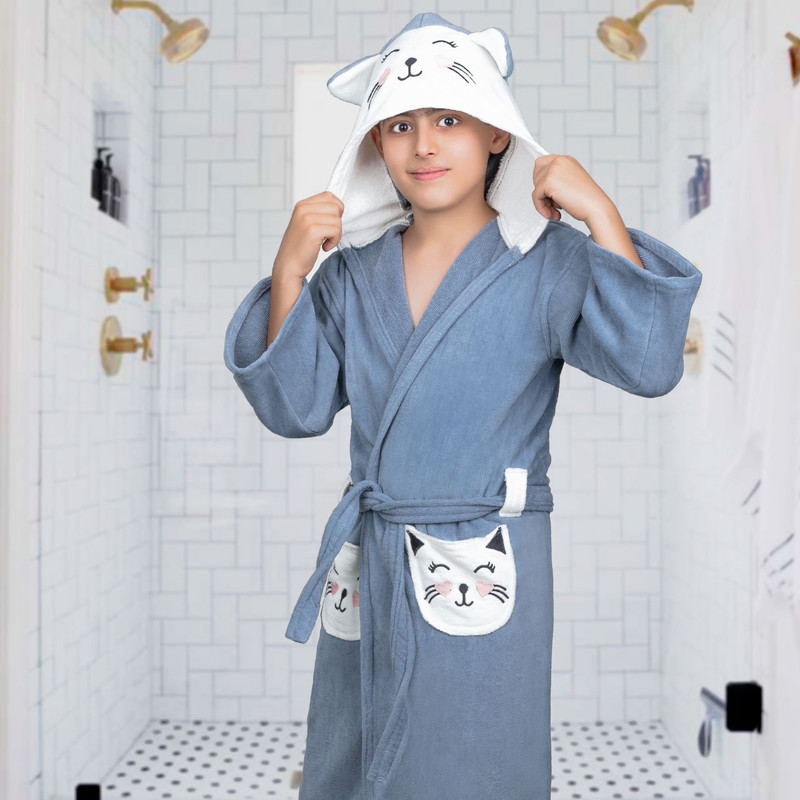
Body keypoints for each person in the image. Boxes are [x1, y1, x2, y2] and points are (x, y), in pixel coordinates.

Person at [224, 12, 702, 800]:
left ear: (496, 133)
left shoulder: (547, 261)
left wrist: (601, 214)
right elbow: (293, 408)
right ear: (376, 144)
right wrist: (288, 273)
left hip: (486, 552)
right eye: (400, 125)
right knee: (356, 755)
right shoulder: (350, 275)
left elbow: (649, 365)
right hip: (375, 551)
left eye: (449, 119)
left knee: (476, 759)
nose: (424, 144)